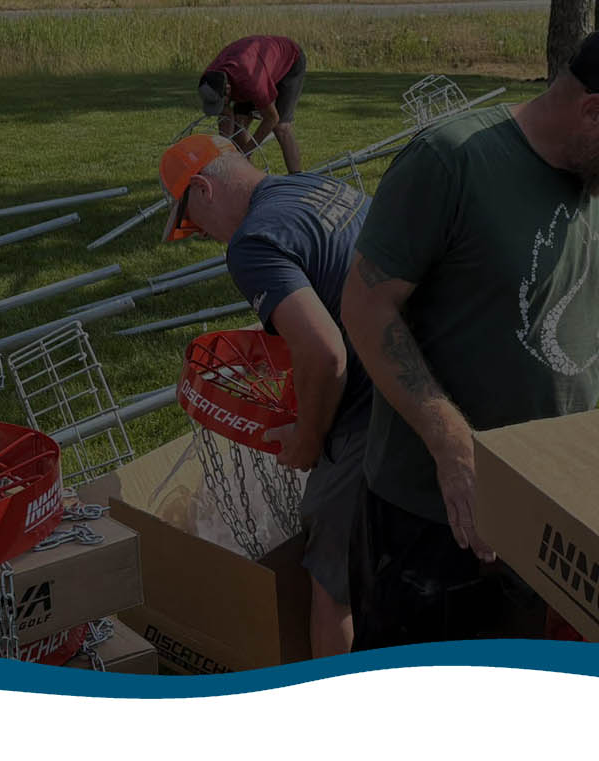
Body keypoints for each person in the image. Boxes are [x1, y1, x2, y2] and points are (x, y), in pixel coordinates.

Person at [338, 22, 599, 649]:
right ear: (594, 111)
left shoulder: (594, 174)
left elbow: (587, 313)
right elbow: (365, 304)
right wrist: (452, 444)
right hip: (434, 521)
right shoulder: (452, 161)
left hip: (540, 515)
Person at [158, 134, 372, 657]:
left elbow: (325, 353)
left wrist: (308, 438)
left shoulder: (251, 242)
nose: (204, 236)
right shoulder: (311, 186)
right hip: (429, 365)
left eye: (192, 223)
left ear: (203, 189)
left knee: (331, 586)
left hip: (375, 407)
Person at [198, 35, 306, 173]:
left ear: (228, 89)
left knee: (281, 127)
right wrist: (224, 151)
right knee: (239, 123)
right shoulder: (210, 78)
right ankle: (247, 175)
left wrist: (245, 152)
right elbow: (226, 113)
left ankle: (297, 178)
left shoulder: (252, 82)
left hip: (289, 60)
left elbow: (272, 119)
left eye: (220, 102)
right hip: (253, 62)